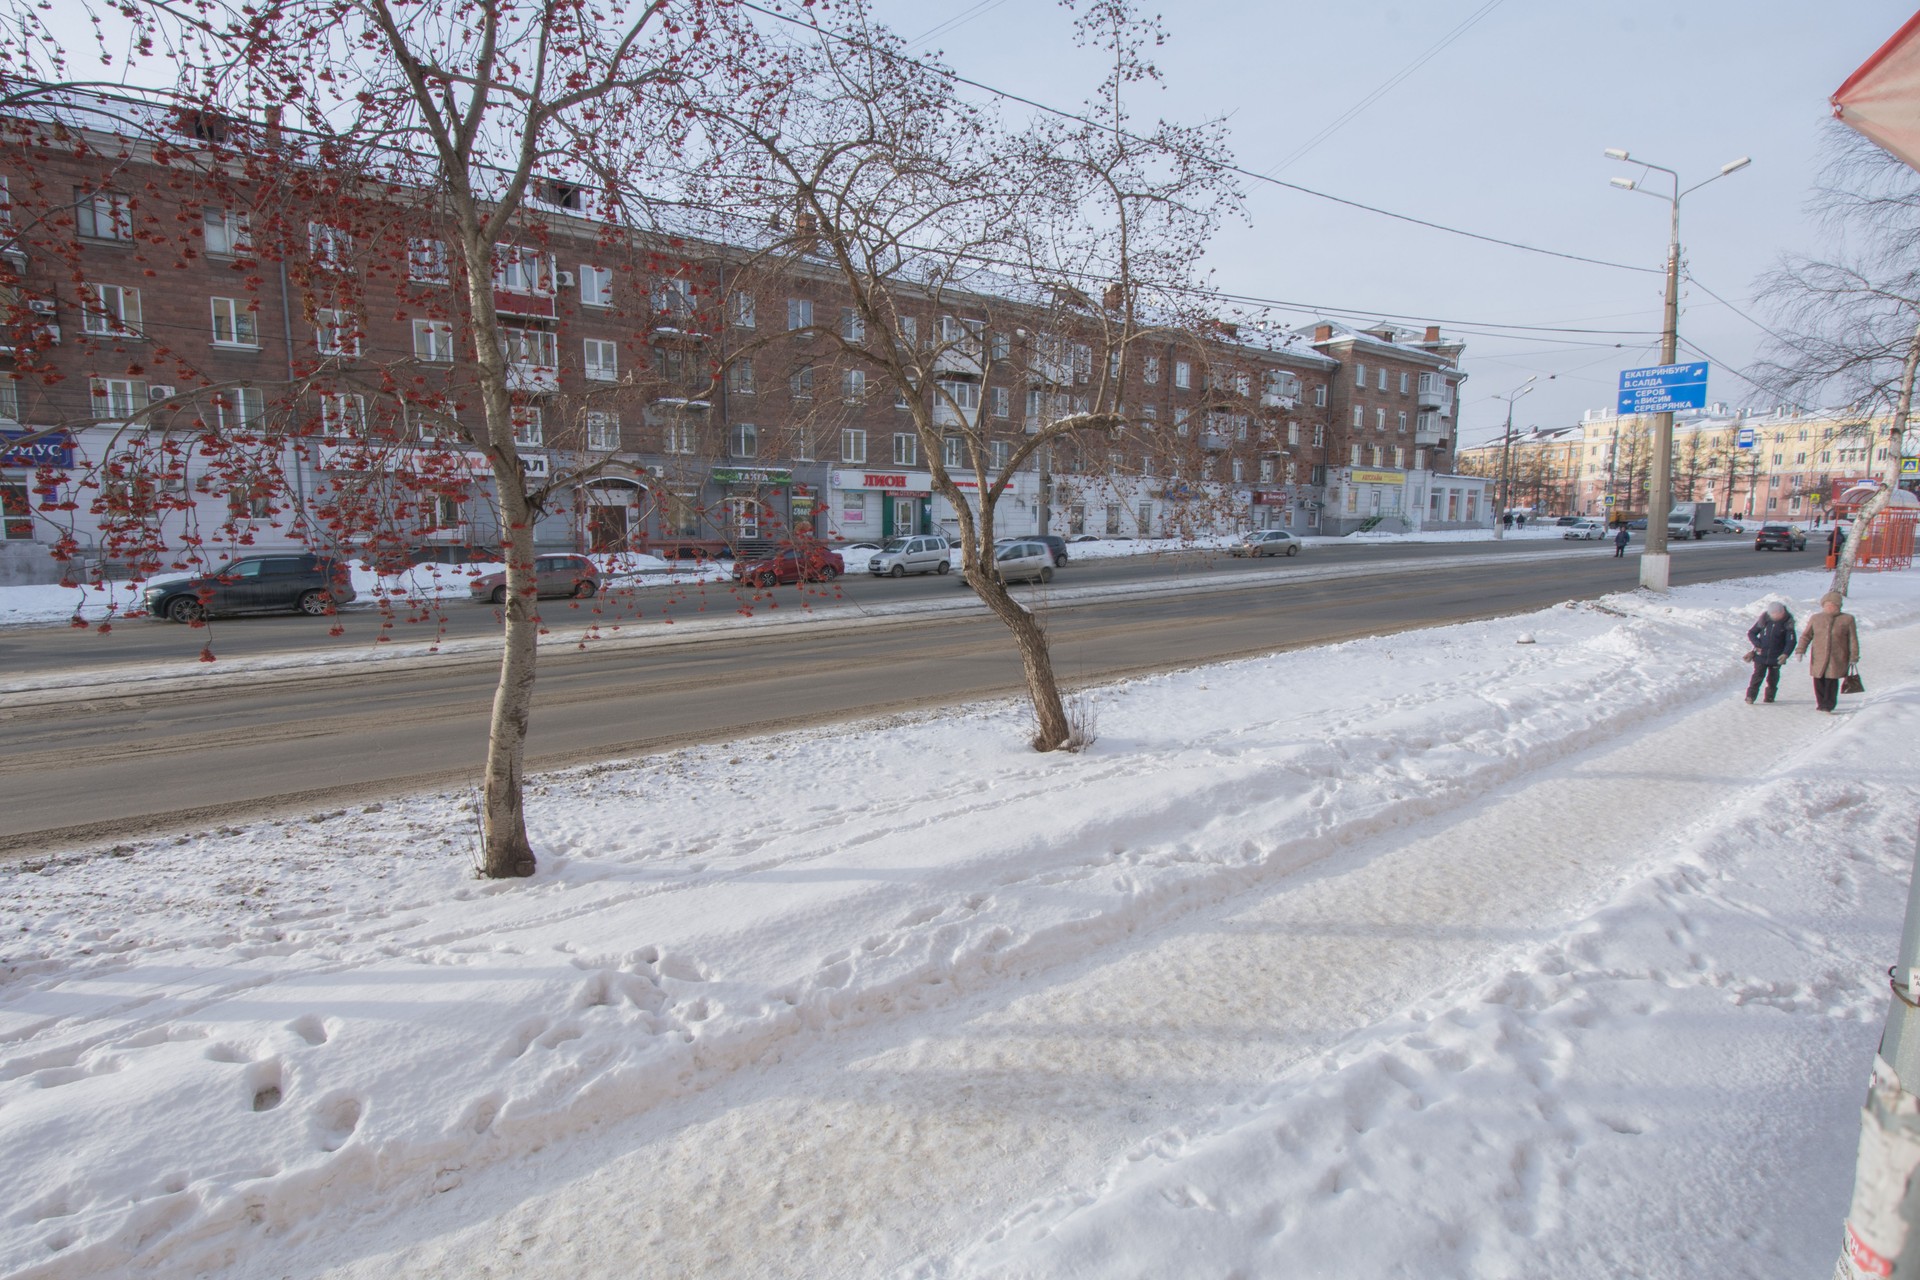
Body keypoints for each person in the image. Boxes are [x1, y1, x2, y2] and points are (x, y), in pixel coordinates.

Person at [1796, 591, 1861, 713]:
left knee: (1831, 681)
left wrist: (1854, 656)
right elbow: (1806, 636)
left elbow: (1853, 639)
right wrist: (1800, 650)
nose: (1829, 607)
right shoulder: (1816, 618)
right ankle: (1821, 703)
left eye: (1833, 605)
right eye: (1827, 605)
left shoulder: (1847, 619)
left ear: (1838, 606)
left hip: (1837, 657)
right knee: (1818, 680)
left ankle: (1828, 704)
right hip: (1819, 656)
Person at [1744, 601, 1795, 704]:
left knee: (1773, 678)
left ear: (1782, 612)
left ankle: (1770, 697)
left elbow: (1791, 641)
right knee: (1757, 676)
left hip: (1777, 656)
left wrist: (1785, 654)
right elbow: (1751, 633)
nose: (1775, 616)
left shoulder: (1787, 623)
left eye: (1777, 613)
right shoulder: (1764, 620)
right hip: (1761, 655)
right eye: (1772, 614)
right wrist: (1757, 643)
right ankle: (1750, 696)